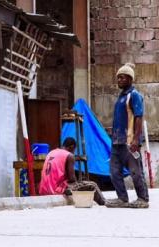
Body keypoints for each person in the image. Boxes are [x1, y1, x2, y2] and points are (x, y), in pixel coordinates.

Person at [107, 63, 149, 209]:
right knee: (114, 171)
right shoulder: (120, 98)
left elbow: (138, 117)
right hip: (117, 141)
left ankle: (143, 198)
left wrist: (136, 139)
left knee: (135, 171)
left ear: (130, 79)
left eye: (122, 77)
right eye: (118, 77)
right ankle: (122, 198)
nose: (119, 80)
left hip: (130, 141)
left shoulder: (134, 95)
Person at [39, 137, 106, 205]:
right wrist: (80, 182)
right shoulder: (70, 156)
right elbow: (72, 179)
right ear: (72, 147)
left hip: (43, 189)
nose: (74, 152)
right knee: (92, 185)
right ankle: (104, 202)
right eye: (74, 150)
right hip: (55, 189)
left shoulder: (52, 152)